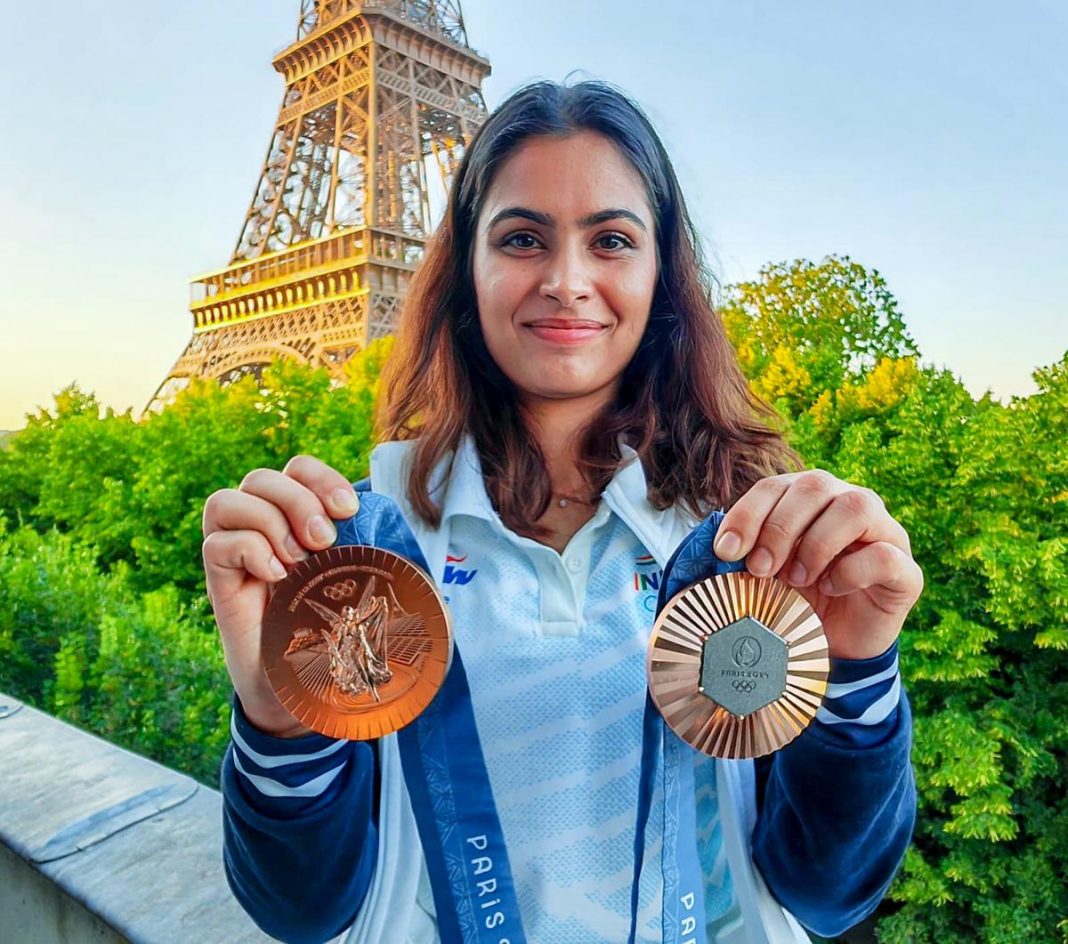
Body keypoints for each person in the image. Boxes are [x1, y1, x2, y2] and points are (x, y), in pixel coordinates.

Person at [203, 80, 920, 944]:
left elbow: (829, 891)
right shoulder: (365, 548)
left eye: (611, 240)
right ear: (468, 271)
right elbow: (299, 908)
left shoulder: (755, 534)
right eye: (522, 238)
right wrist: (281, 721)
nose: (567, 281)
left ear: (663, 275)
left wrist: (857, 670)